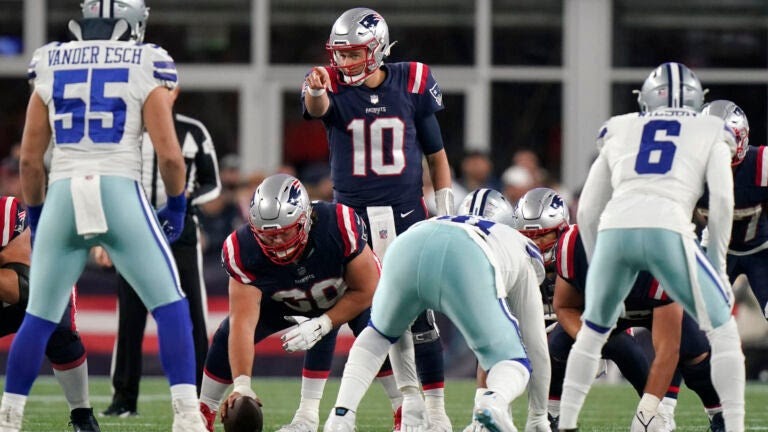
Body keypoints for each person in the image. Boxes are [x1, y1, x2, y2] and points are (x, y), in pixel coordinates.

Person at [0, 1, 208, 430]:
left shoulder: (50, 59)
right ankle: (188, 416)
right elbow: (171, 157)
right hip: (119, 187)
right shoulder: (146, 61)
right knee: (171, 307)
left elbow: (30, 161)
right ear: (132, 23)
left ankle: (8, 416)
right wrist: (176, 206)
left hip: (62, 191)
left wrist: (38, 216)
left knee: (39, 316)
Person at [558, 62, 744, 432]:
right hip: (668, 228)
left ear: (645, 99)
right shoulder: (711, 129)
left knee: (593, 331)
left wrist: (598, 263)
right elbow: (723, 202)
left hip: (615, 230)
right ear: (697, 99)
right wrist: (717, 265)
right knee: (722, 330)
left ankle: (565, 423)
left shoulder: (620, 126)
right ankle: (733, 424)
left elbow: (590, 208)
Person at [303, 7, 455, 430]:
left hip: (406, 213)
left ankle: (435, 412)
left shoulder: (412, 79)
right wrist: (316, 90)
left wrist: (444, 206)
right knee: (348, 311)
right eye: (340, 54)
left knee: (420, 317)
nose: (343, 63)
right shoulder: (328, 81)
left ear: (377, 50)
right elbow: (317, 109)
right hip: (350, 220)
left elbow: (435, 152)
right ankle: (319, 413)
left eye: (353, 54)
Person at [323, 189, 549, 432]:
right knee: (513, 360)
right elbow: (535, 345)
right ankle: (493, 401)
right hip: (467, 256)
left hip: (407, 244)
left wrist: (409, 393)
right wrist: (538, 417)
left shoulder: (444, 219)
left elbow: (397, 332)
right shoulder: (517, 243)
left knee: (378, 334)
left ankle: (341, 415)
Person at [198, 173, 401, 432]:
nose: (278, 244)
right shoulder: (242, 248)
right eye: (268, 236)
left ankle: (402, 408)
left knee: (376, 323)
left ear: (305, 220)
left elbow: (370, 289)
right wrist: (242, 384)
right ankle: (203, 413)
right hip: (286, 300)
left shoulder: (337, 223)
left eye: (285, 233)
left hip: (346, 294)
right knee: (227, 331)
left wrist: (323, 324)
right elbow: (243, 324)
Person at [511, 188, 724, 431]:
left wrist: (652, 408)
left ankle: (718, 413)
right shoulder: (573, 245)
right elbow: (565, 306)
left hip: (655, 306)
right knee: (559, 346)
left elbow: (668, 349)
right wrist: (588, 342)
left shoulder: (662, 254)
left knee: (695, 353)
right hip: (605, 310)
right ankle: (553, 413)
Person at [98, 86, 222, 417]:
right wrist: (106, 235)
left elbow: (214, 183)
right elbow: (109, 182)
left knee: (193, 312)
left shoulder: (193, 130)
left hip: (181, 232)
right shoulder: (126, 131)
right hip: (134, 227)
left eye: (165, 88)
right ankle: (123, 398)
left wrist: (184, 201)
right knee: (130, 317)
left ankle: (198, 396)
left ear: (176, 91)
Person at [0, 195, 100, 431]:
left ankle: (82, 414)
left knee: (60, 330)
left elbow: (20, 289)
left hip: (35, 288)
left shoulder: (6, 210)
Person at [696, 100, 768, 321]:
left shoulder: (762, 164)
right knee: (696, 319)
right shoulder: (692, 170)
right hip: (715, 249)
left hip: (761, 250)